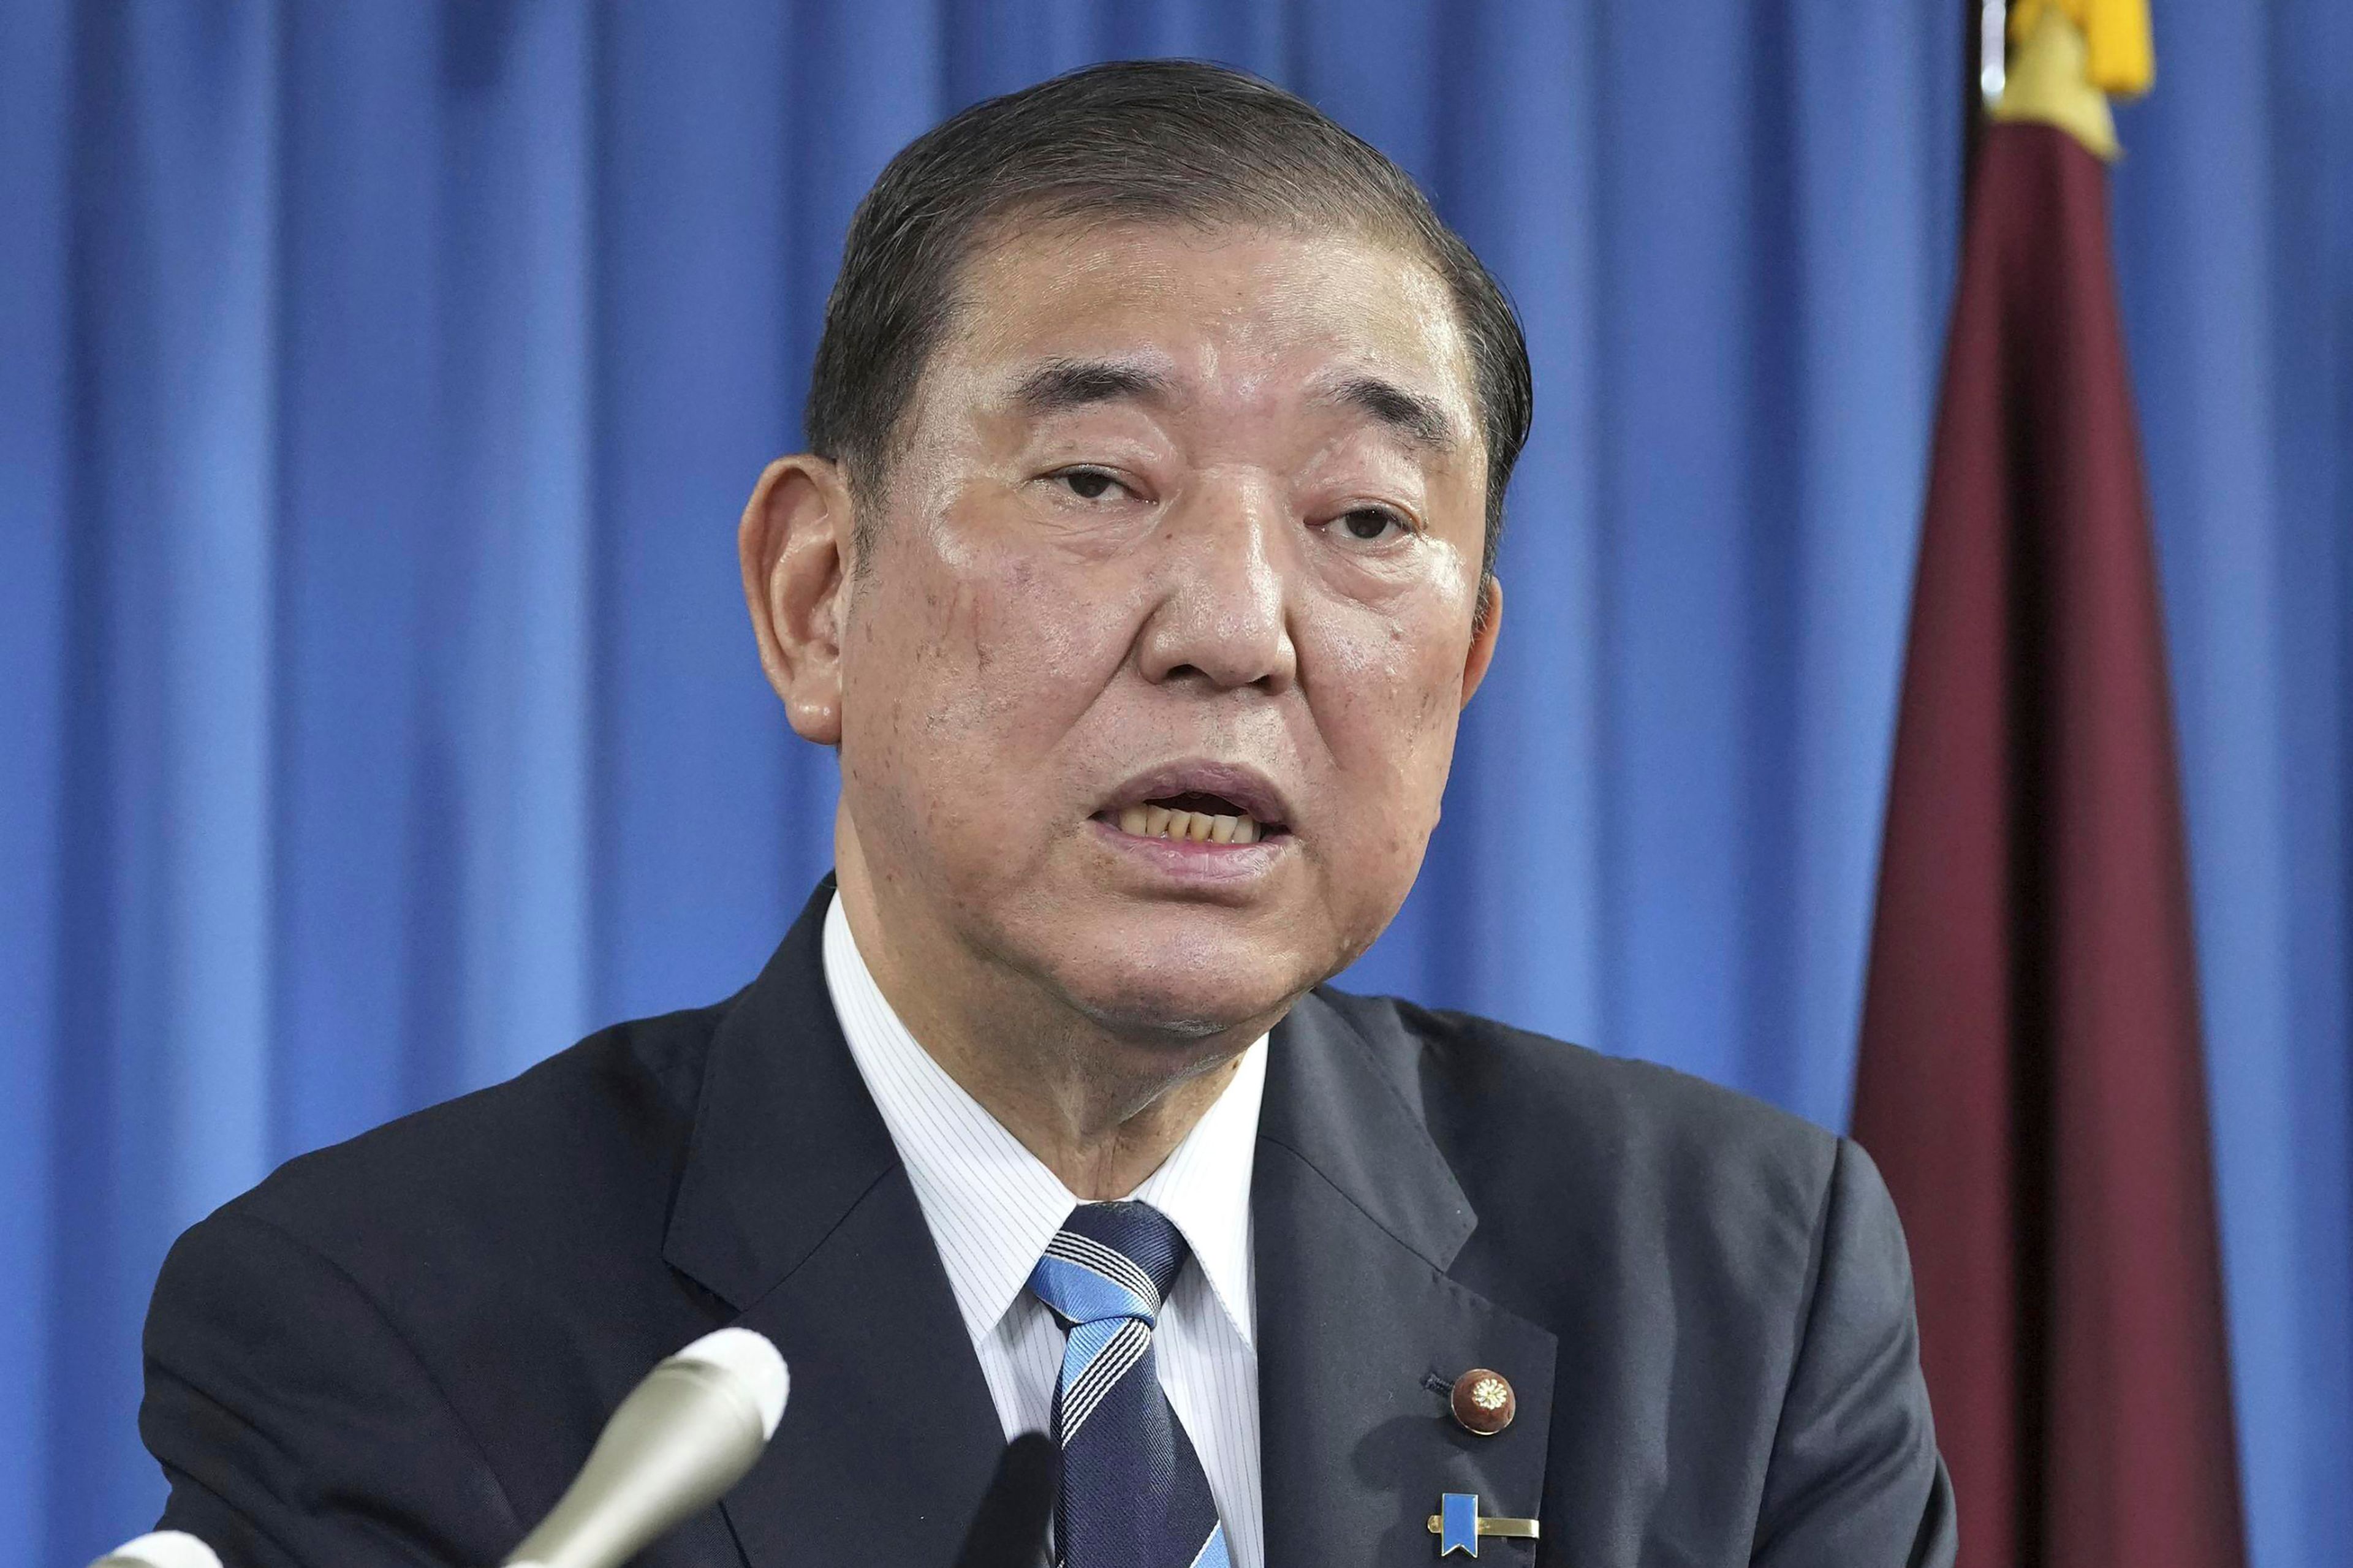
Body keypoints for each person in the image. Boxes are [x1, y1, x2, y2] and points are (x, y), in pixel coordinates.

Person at [140, 60, 1955, 1568]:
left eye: (1368, 522)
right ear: (817, 597)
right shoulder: (384, 1323)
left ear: (1467, 662)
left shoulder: (1733, 1284)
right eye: (1099, 480)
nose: (1237, 632)